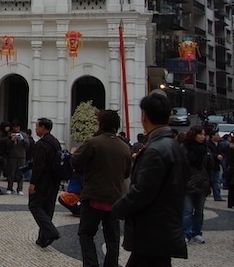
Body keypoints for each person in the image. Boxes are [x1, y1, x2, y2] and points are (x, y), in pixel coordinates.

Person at [111, 90, 188, 266]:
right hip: (163, 228)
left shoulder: (156, 149)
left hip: (151, 230)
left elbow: (142, 191)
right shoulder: (174, 146)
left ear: (144, 117)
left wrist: (117, 209)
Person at [71, 109, 132, 267]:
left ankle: (91, 264)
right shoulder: (124, 147)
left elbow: (75, 162)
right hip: (115, 198)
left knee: (86, 233)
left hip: (93, 195)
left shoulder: (93, 142)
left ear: (101, 123)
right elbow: (127, 173)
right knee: (112, 239)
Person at [28, 117, 61, 248]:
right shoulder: (55, 142)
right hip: (54, 180)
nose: (35, 129)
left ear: (43, 127)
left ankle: (51, 231)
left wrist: (32, 183)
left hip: (43, 181)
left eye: (37, 127)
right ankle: (42, 239)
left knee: (34, 206)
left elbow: (38, 166)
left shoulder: (41, 144)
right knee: (48, 208)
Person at [181, 125, 215, 244]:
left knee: (199, 211)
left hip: (202, 183)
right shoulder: (184, 149)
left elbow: (210, 168)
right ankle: (186, 233)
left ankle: (197, 232)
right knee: (187, 210)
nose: (202, 137)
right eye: (199, 134)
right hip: (188, 184)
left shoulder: (206, 150)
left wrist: (210, 183)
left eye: (203, 134)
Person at [4, 120, 29, 195]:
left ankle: (20, 188)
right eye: (15, 127)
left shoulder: (23, 135)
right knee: (11, 172)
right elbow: (6, 145)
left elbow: (27, 145)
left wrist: (23, 139)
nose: (16, 128)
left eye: (17, 127)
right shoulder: (9, 134)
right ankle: (9, 188)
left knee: (20, 173)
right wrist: (11, 140)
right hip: (12, 156)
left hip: (21, 156)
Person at [206, 130, 225, 201]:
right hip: (209, 165)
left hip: (217, 165)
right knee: (208, 181)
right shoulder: (208, 144)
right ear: (212, 136)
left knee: (217, 181)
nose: (218, 137)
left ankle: (217, 196)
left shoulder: (220, 144)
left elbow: (223, 151)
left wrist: (222, 155)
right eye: (217, 135)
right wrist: (216, 156)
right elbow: (208, 153)